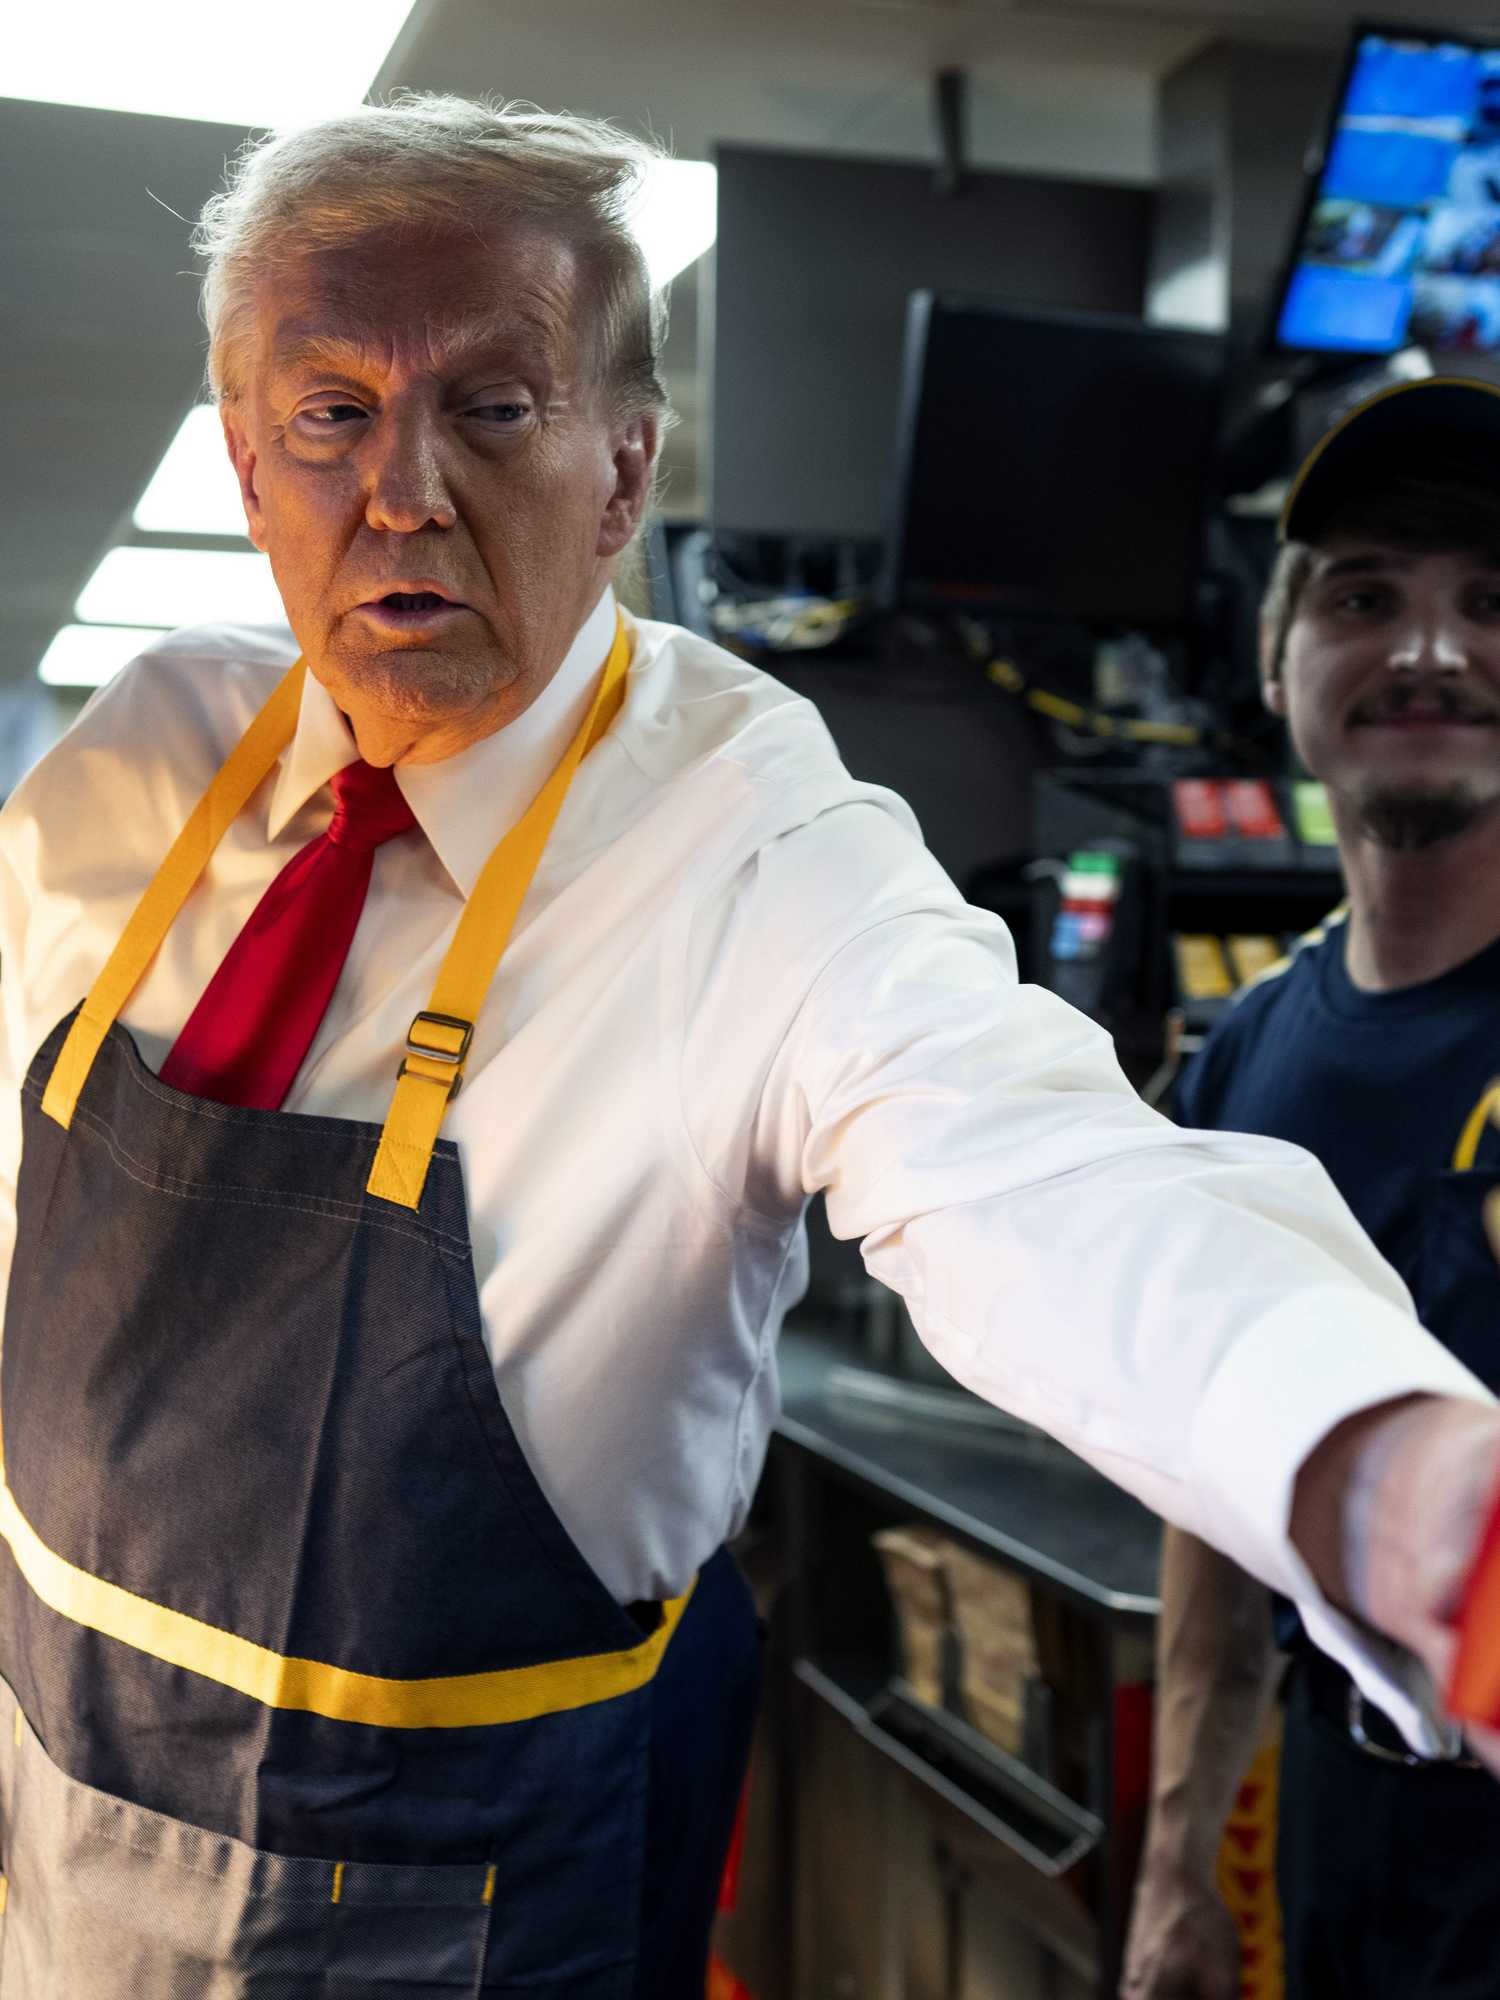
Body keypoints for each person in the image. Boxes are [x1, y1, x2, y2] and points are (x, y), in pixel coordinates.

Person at [0, 97, 1496, 1997]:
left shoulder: (751, 840)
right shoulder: (137, 772)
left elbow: (1046, 1170)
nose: (404, 492)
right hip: (51, 1873)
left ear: (624, 476)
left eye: (492, 409)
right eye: (332, 414)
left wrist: (1399, 1487)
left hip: (455, 1927)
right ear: (245, 464)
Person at [1123, 375, 1500, 2000]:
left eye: (1495, 604)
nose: (1430, 651)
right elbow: (1215, 1508)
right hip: (1340, 1820)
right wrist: (1176, 1863)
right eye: (1366, 598)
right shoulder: (1242, 1060)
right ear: (1280, 663)